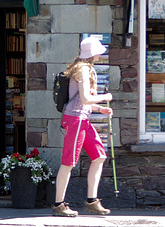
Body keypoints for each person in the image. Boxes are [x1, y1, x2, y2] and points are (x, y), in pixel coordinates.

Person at [52, 36, 113, 217]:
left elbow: (81, 100)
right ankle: (58, 204)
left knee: (99, 156)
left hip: (82, 119)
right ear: (93, 54)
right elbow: (85, 99)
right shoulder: (84, 71)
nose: (100, 56)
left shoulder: (83, 68)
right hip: (76, 120)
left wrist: (99, 109)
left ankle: (92, 201)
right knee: (68, 162)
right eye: (98, 53)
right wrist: (105, 97)